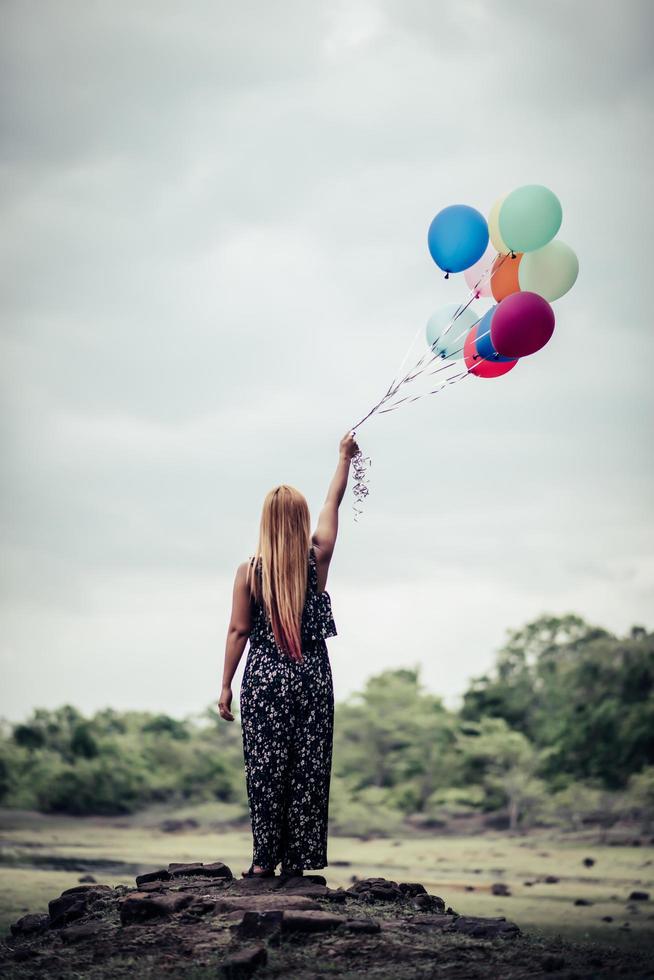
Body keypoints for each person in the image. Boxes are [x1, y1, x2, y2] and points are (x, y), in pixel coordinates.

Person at [218, 430, 359, 878]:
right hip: (312, 677)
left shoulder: (249, 571)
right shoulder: (317, 558)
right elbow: (332, 504)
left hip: (263, 678)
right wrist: (344, 457)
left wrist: (225, 685)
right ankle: (297, 864)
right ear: (300, 521)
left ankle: (263, 863)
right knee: (308, 769)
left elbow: (239, 630)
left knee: (265, 770)